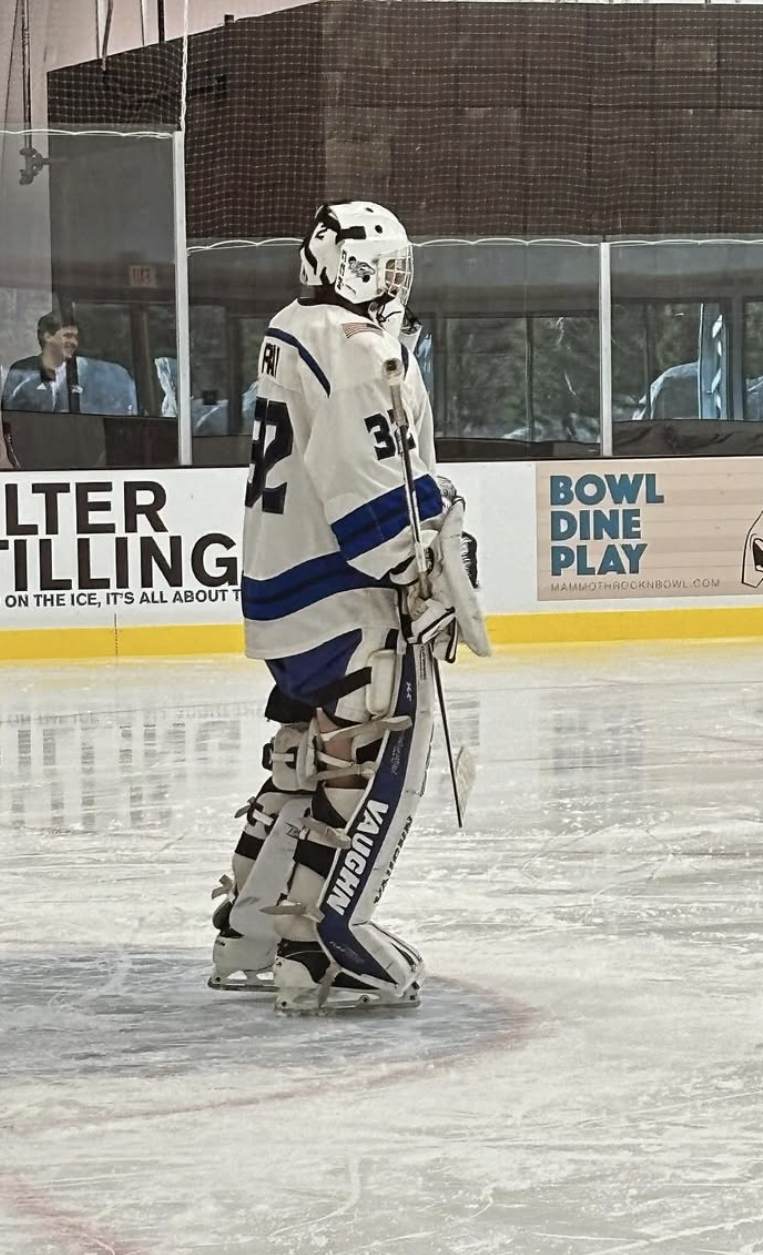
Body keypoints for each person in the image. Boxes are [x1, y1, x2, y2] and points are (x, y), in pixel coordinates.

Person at [208, 200, 490, 1014]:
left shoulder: (290, 327)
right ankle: (325, 938)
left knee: (303, 754)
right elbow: (369, 487)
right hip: (342, 592)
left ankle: (250, 925)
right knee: (373, 750)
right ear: (352, 268)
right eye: (388, 268)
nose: (398, 285)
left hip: (281, 590)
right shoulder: (359, 349)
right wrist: (423, 570)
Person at [1, 312, 82, 413]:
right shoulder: (21, 371)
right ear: (48, 337)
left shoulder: (81, 374)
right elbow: (8, 413)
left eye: (76, 337)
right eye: (67, 336)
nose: (74, 342)